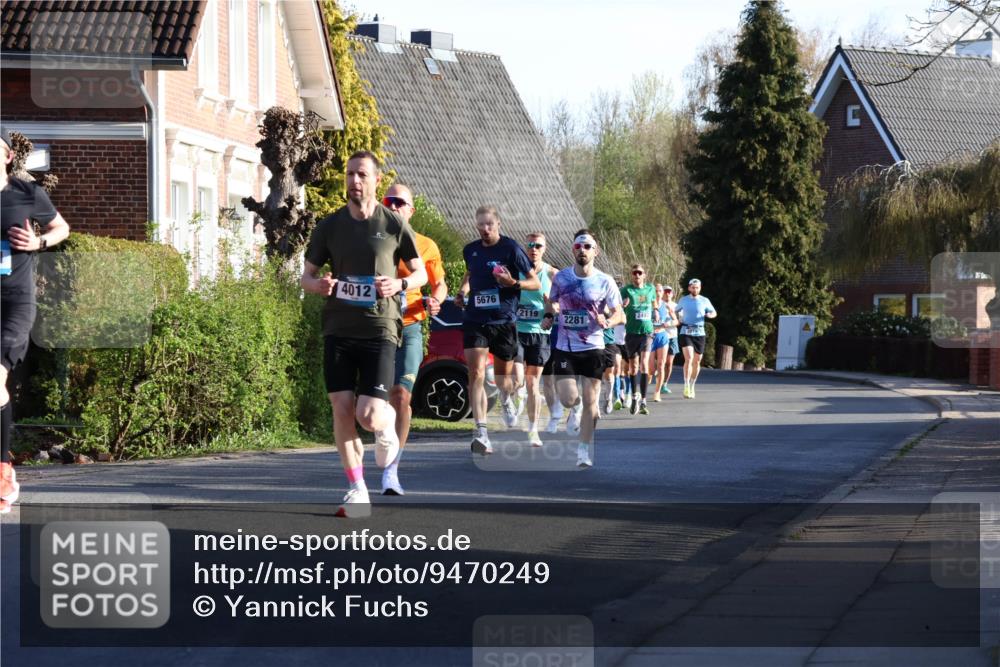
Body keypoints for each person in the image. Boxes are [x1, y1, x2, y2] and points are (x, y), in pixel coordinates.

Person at [301, 151, 427, 518]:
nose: (354, 181)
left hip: (379, 329)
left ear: (374, 180)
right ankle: (356, 488)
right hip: (339, 328)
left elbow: (421, 275)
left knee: (369, 415)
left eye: (361, 175)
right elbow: (306, 278)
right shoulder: (329, 226)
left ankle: (385, 427)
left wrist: (399, 283)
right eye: (349, 174)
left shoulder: (393, 224)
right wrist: (320, 285)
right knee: (341, 409)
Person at [1, 127, 71, 514]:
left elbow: (61, 227)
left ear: (8, 156)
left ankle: (2, 469)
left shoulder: (26, 193)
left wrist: (38, 242)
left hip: (15, 301)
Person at [455, 206, 539, 455]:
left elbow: (533, 282)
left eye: (489, 224)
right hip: (475, 319)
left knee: (505, 381)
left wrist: (512, 282)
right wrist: (462, 292)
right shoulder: (470, 250)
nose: (485, 229)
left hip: (503, 321)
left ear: (498, 224)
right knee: (476, 372)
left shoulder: (511, 249)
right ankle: (481, 431)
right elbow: (470, 275)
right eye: (480, 224)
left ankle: (506, 398)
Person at [380, 184, 447, 496]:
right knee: (375, 402)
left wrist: (436, 300)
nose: (393, 206)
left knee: (402, 397)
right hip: (377, 327)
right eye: (388, 201)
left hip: (409, 328)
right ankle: (383, 443)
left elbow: (440, 284)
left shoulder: (425, 245)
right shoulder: (373, 240)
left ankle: (392, 470)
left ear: (410, 209)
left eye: (399, 202)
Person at [548, 230, 624, 468]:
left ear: (595, 251)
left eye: (587, 246)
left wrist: (608, 321)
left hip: (593, 347)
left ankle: (583, 450)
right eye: (578, 246)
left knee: (592, 401)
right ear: (573, 250)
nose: (583, 250)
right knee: (569, 398)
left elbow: (620, 313)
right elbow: (551, 302)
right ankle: (575, 406)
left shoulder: (605, 281)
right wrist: (549, 315)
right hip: (565, 347)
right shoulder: (561, 278)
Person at [514, 232, 557, 447]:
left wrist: (552, 310)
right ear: (525, 247)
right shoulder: (517, 269)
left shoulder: (552, 274)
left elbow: (561, 301)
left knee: (533, 383)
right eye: (530, 245)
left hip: (540, 333)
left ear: (544, 248)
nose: (534, 249)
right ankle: (517, 395)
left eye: (538, 245)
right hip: (518, 331)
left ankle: (533, 430)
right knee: (518, 378)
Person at [620, 264, 656, 415]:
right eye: (634, 273)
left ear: (644, 275)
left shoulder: (650, 289)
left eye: (639, 273)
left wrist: (656, 311)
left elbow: (654, 304)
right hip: (631, 332)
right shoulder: (626, 290)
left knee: (644, 365)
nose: (637, 275)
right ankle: (635, 396)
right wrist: (623, 305)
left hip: (647, 332)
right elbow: (617, 306)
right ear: (631, 275)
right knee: (633, 368)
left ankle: (644, 401)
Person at [675, 278, 717, 399]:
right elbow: (675, 310)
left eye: (697, 287)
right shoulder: (683, 300)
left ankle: (692, 385)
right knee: (689, 358)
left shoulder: (705, 300)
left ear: (700, 288)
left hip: (699, 332)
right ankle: (686, 385)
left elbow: (714, 312)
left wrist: (710, 314)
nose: (695, 289)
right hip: (686, 331)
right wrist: (679, 318)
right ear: (689, 288)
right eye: (693, 287)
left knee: (697, 361)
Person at [649, 283, 678, 401]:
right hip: (650, 337)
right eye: (656, 291)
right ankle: (652, 377)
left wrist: (668, 323)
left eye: (660, 291)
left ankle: (657, 392)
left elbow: (676, 321)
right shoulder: (648, 304)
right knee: (651, 368)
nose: (658, 293)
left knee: (661, 364)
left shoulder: (667, 306)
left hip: (662, 336)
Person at [656, 285, 680, 396]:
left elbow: (679, 321)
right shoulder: (657, 304)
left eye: (669, 291)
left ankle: (664, 384)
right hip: (659, 335)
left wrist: (669, 322)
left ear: (672, 293)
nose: (667, 293)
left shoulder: (676, 306)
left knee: (669, 363)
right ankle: (658, 379)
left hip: (672, 336)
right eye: (665, 291)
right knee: (660, 362)